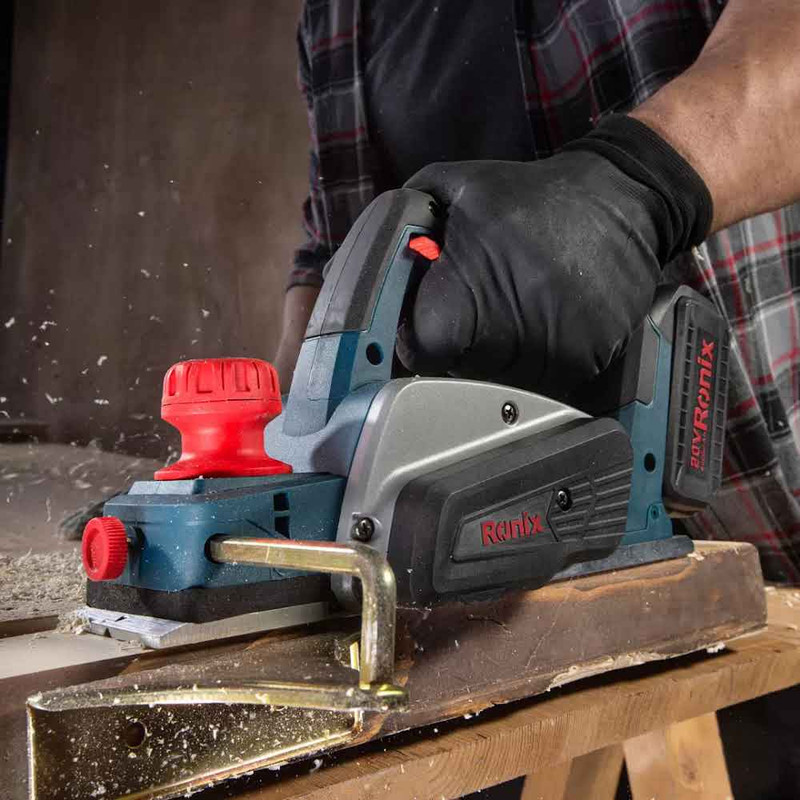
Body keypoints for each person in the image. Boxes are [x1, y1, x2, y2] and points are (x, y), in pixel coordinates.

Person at [274, 0, 800, 584]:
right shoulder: (333, 20)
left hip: (762, 513)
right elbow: (339, 247)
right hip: (488, 560)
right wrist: (280, 447)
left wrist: (642, 182)